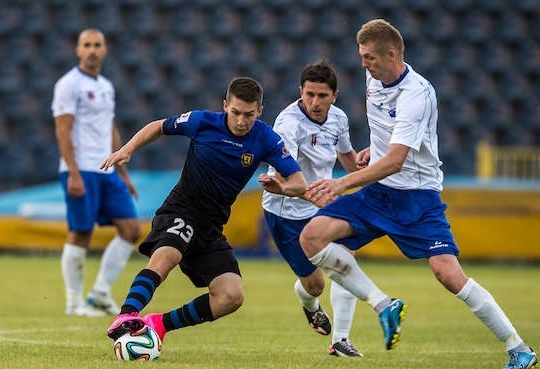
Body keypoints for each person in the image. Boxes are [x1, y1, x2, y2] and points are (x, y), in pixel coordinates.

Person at [299, 19, 537, 369]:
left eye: (368, 57)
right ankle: (380, 308)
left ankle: (519, 348)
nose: (362, 64)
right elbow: (386, 137)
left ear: (391, 54)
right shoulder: (374, 77)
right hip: (379, 192)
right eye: (362, 56)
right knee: (313, 238)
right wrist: (370, 151)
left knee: (448, 274)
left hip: (416, 198)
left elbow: (397, 160)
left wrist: (341, 183)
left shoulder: (417, 94)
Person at [101, 77, 309, 344]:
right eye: (235, 113)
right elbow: (159, 126)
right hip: (182, 209)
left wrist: (281, 188)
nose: (241, 121)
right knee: (168, 256)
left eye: (248, 115)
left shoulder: (266, 139)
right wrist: (128, 148)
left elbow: (299, 182)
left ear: (259, 111)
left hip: (211, 227)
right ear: (225, 106)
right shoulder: (202, 122)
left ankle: (159, 325)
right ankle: (126, 316)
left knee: (231, 296)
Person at [262, 59, 364, 358]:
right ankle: (309, 303)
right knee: (315, 285)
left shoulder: (339, 119)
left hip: (323, 202)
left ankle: (341, 340)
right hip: (286, 210)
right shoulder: (288, 123)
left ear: (335, 95)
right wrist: (319, 196)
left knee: (345, 257)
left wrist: (369, 171)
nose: (315, 102)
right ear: (300, 92)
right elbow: (286, 178)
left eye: (322, 96)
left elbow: (347, 158)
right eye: (309, 94)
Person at [52, 28, 141, 317]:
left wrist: (124, 174)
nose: (92, 50)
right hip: (81, 170)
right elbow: (62, 130)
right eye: (86, 45)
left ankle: (101, 292)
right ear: (78, 50)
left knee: (131, 229)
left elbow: (110, 128)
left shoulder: (106, 85)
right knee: (80, 233)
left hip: (106, 170)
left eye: (97, 45)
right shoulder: (68, 84)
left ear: (105, 49)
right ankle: (73, 302)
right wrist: (74, 173)